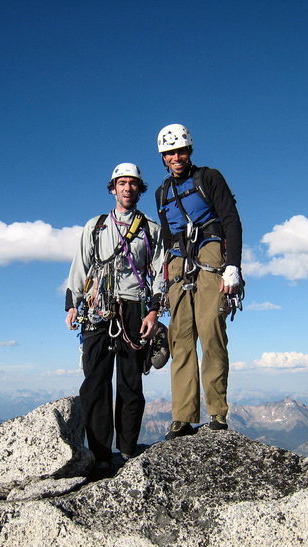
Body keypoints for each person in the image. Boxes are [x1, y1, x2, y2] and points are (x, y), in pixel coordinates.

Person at [65, 162, 164, 469]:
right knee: (95, 381)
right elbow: (80, 266)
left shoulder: (151, 229)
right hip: (97, 308)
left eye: (132, 184)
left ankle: (128, 448)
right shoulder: (95, 226)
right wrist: (72, 303)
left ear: (139, 189)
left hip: (134, 307)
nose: (127, 188)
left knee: (131, 382)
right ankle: (99, 452)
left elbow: (160, 271)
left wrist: (153, 310)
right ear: (113, 188)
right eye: (122, 183)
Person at [154, 124, 243, 439]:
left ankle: (217, 412)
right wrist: (164, 277)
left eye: (180, 151)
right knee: (181, 338)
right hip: (177, 263)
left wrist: (233, 266)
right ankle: (183, 416)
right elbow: (166, 236)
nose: (176, 157)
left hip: (210, 256)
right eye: (169, 153)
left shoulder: (209, 178)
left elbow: (230, 219)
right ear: (163, 157)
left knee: (211, 331)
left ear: (189, 151)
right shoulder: (162, 192)